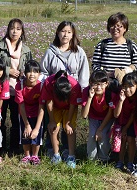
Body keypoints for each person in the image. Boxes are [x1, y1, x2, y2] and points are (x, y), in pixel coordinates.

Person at [40, 21, 90, 159]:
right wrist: (49, 85)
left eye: (69, 32)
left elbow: (84, 74)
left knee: (68, 123)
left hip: (72, 93)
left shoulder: (79, 52)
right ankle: (52, 149)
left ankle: (68, 150)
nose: (65, 34)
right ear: (57, 32)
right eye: (63, 31)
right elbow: (43, 72)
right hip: (54, 92)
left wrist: (83, 94)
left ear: (73, 34)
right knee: (53, 122)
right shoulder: (50, 52)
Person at [0, 18, 32, 154]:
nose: (15, 31)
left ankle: (15, 148)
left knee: (16, 119)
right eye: (12, 28)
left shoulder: (26, 50)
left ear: (22, 32)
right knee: (0, 119)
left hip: (17, 90)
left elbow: (30, 68)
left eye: (18, 29)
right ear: (8, 30)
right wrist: (8, 70)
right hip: (1, 89)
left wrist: (23, 73)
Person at [40, 70, 82, 168]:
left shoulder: (74, 85)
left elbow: (73, 104)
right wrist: (51, 120)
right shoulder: (49, 82)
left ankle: (71, 156)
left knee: (69, 129)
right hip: (55, 107)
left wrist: (68, 122)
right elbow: (49, 102)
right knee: (54, 128)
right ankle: (56, 155)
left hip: (69, 108)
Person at [91, 12, 137, 80]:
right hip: (106, 85)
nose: (115, 28)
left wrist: (125, 72)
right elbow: (95, 65)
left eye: (119, 26)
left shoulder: (132, 46)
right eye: (112, 25)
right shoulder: (102, 45)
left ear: (125, 28)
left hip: (125, 86)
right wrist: (107, 74)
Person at [81, 70, 118, 162]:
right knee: (92, 136)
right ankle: (91, 160)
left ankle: (103, 159)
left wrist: (100, 129)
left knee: (103, 137)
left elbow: (110, 113)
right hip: (93, 117)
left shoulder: (110, 94)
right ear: (90, 83)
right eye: (96, 84)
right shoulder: (86, 91)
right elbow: (84, 115)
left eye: (102, 84)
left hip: (107, 118)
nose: (98, 87)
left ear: (107, 84)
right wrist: (90, 98)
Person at [15, 60, 45, 165]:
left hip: (37, 114)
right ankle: (27, 155)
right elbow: (21, 106)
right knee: (25, 134)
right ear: (24, 73)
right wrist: (27, 125)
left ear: (39, 74)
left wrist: (36, 128)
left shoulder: (41, 86)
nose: (32, 74)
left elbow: (42, 107)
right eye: (29, 71)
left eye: (35, 72)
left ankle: (35, 156)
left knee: (37, 135)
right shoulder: (20, 85)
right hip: (24, 114)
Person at [113, 71, 137, 173]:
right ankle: (120, 161)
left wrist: (125, 129)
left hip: (132, 123)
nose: (127, 89)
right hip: (120, 121)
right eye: (125, 86)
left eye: (130, 86)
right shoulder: (121, 95)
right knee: (121, 139)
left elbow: (133, 115)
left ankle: (130, 162)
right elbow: (116, 114)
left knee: (130, 139)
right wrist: (121, 100)